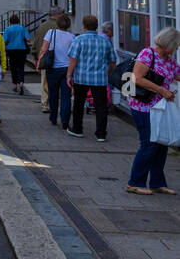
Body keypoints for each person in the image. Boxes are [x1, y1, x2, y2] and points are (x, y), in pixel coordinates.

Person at [126, 27, 180, 195]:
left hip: (160, 107)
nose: (177, 48)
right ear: (169, 44)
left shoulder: (169, 59)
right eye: (176, 45)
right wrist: (162, 90)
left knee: (161, 144)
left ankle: (157, 182)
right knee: (148, 144)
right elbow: (137, 78)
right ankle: (135, 182)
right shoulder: (148, 54)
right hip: (143, 106)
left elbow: (177, 74)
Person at [67, 14, 115, 141]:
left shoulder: (79, 40)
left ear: (83, 26)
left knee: (78, 103)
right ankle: (101, 133)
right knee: (101, 106)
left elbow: (73, 59)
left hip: (81, 77)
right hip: (99, 78)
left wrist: (69, 75)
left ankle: (77, 129)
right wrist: (108, 72)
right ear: (96, 26)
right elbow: (113, 61)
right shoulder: (105, 41)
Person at [37, 13, 75, 129]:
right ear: (68, 25)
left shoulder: (51, 33)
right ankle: (65, 120)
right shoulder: (72, 37)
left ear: (57, 24)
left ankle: (53, 117)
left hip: (52, 68)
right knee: (66, 96)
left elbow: (44, 49)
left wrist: (39, 63)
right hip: (66, 69)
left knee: (53, 94)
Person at [34, 6, 65, 113]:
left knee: (44, 83)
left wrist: (37, 58)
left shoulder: (42, 26)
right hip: (57, 60)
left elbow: (36, 43)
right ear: (58, 15)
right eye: (62, 13)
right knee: (58, 84)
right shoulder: (61, 27)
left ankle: (45, 104)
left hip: (44, 60)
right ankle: (57, 104)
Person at [2, 13, 30, 94]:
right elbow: (28, 39)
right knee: (21, 67)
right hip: (22, 49)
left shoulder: (8, 29)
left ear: (10, 21)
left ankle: (15, 84)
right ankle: (21, 83)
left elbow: (4, 41)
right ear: (18, 21)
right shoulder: (22, 28)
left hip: (11, 49)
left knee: (13, 67)